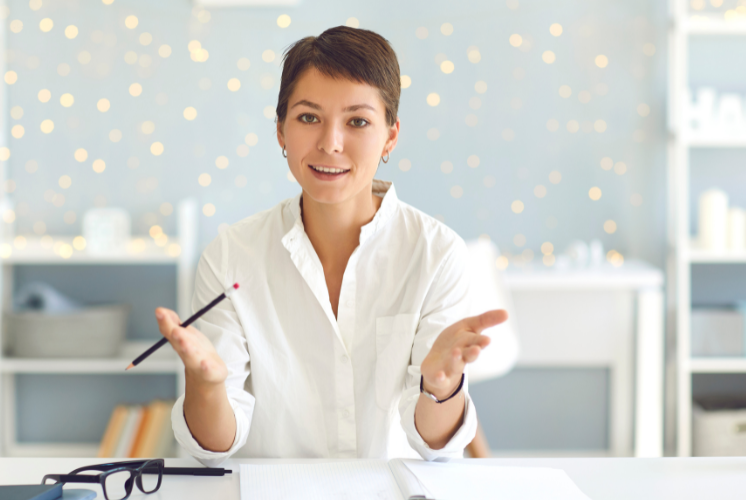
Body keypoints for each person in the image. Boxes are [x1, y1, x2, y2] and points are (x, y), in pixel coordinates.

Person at [154, 26, 507, 467]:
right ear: (281, 130)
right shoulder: (231, 255)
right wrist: (206, 385)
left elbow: (434, 444)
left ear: (390, 137)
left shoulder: (436, 254)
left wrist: (440, 386)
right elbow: (214, 445)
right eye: (308, 118)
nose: (330, 143)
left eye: (357, 121)